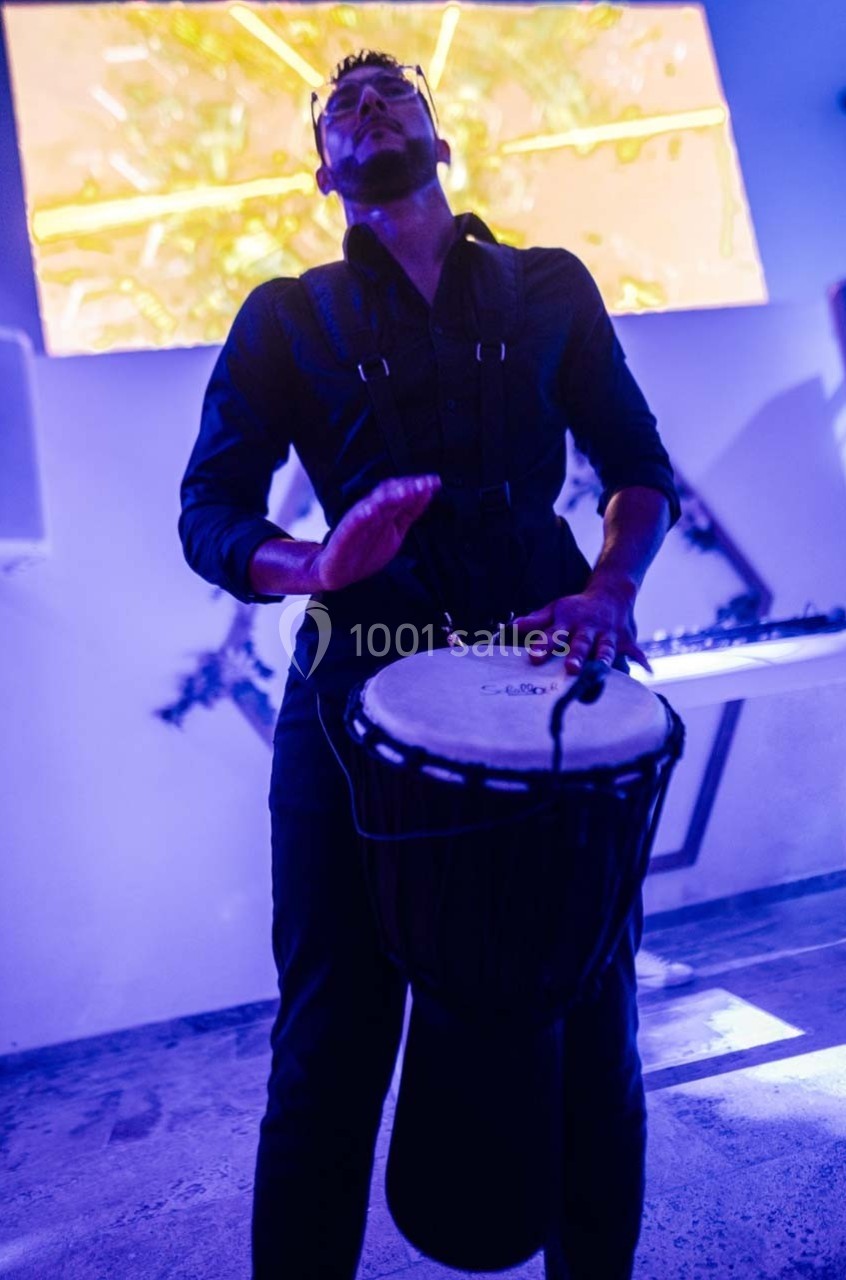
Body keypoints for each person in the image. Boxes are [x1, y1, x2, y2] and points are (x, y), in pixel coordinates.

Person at [179, 50, 682, 1280]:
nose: (364, 101)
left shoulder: (549, 286)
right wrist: (317, 564)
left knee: (588, 1024)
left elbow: (637, 466)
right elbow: (208, 511)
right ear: (320, 171)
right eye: (338, 104)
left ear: (439, 140)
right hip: (355, 690)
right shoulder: (283, 316)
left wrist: (610, 584)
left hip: (547, 675)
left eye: (389, 87)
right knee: (327, 1048)